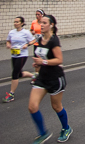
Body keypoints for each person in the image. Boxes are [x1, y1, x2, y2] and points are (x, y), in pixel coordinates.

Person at [29, 14, 72, 143]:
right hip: (42, 78)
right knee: (32, 106)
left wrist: (43, 62)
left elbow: (59, 60)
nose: (41, 25)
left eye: (44, 23)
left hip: (55, 78)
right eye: (40, 23)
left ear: (51, 25)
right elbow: (41, 58)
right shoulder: (40, 39)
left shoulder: (54, 40)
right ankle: (43, 133)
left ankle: (66, 128)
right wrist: (37, 63)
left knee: (56, 106)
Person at [3, 16, 35, 103]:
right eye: (14, 22)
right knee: (19, 73)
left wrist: (27, 45)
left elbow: (33, 40)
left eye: (17, 22)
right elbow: (8, 40)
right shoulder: (11, 32)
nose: (15, 23)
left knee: (15, 73)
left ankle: (11, 94)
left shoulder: (26, 32)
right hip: (14, 55)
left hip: (22, 55)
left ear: (22, 23)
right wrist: (8, 44)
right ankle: (34, 76)